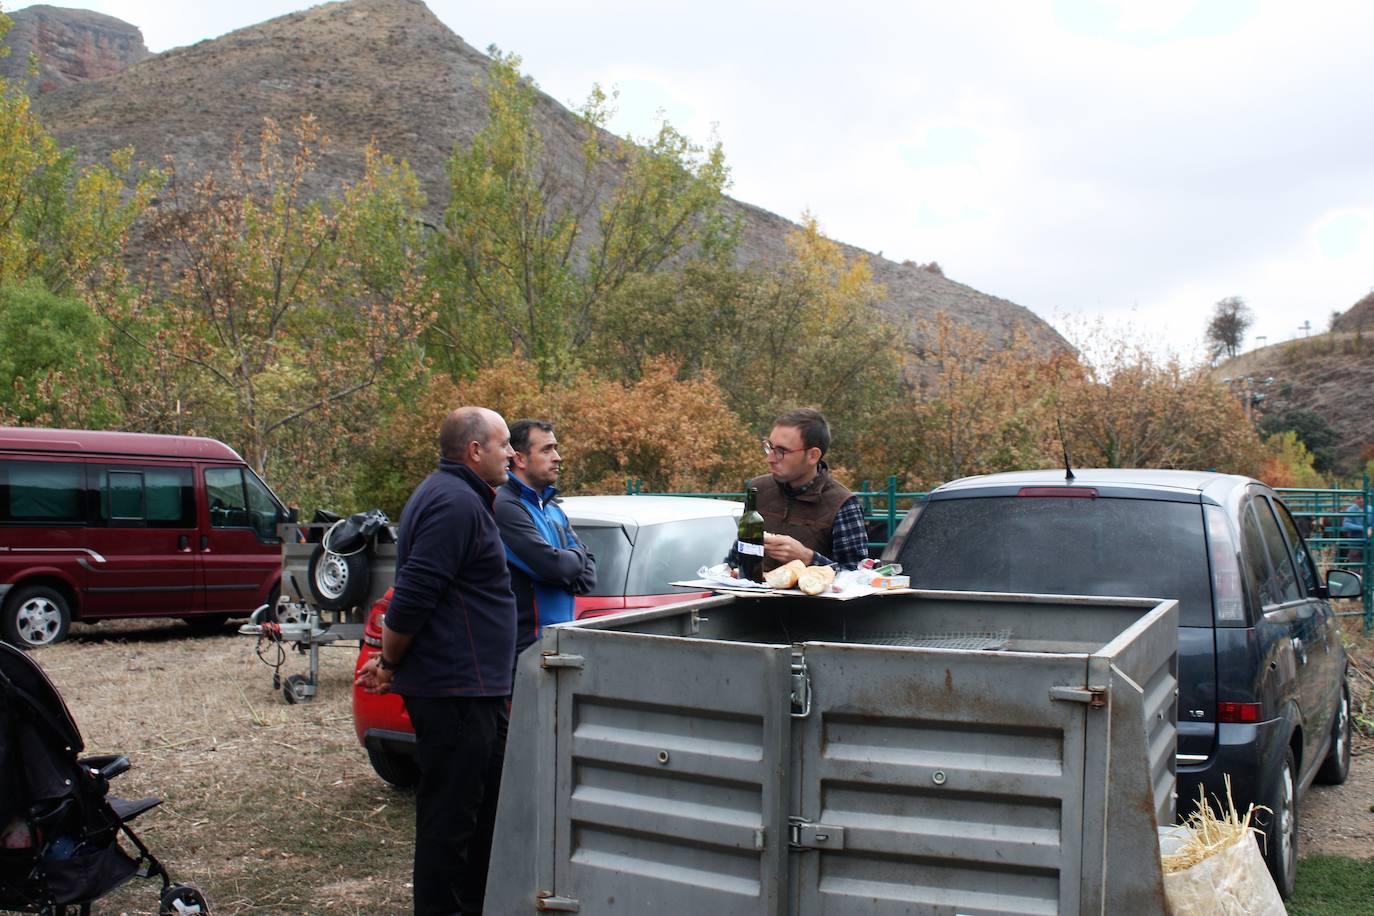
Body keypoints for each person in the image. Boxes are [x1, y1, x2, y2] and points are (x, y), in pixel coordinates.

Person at [355, 406, 516, 916]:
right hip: (455, 692)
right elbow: (414, 594)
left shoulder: (457, 496)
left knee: (483, 810)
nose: (512, 452)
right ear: (475, 450)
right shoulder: (453, 503)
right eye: (504, 443)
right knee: (449, 821)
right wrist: (389, 659)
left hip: (473, 691)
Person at [495, 419, 597, 657]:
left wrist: (566, 565)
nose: (557, 456)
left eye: (555, 448)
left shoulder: (552, 508)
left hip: (558, 647)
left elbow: (589, 576)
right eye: (547, 449)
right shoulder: (506, 507)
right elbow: (554, 567)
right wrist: (566, 566)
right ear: (519, 459)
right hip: (525, 652)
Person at [729, 407, 869, 575]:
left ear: (813, 456)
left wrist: (808, 558)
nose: (770, 458)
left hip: (808, 602)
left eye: (781, 451)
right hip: (750, 600)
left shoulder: (842, 504)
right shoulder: (759, 490)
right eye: (769, 447)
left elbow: (856, 577)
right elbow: (735, 559)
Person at [1340, 495, 1367, 564]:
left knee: (1369, 566)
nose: (1361, 500)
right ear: (1355, 500)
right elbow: (1346, 525)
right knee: (1355, 566)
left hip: (1368, 543)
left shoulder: (1371, 509)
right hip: (1355, 542)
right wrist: (1362, 528)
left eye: (1363, 497)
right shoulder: (1351, 510)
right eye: (1358, 498)